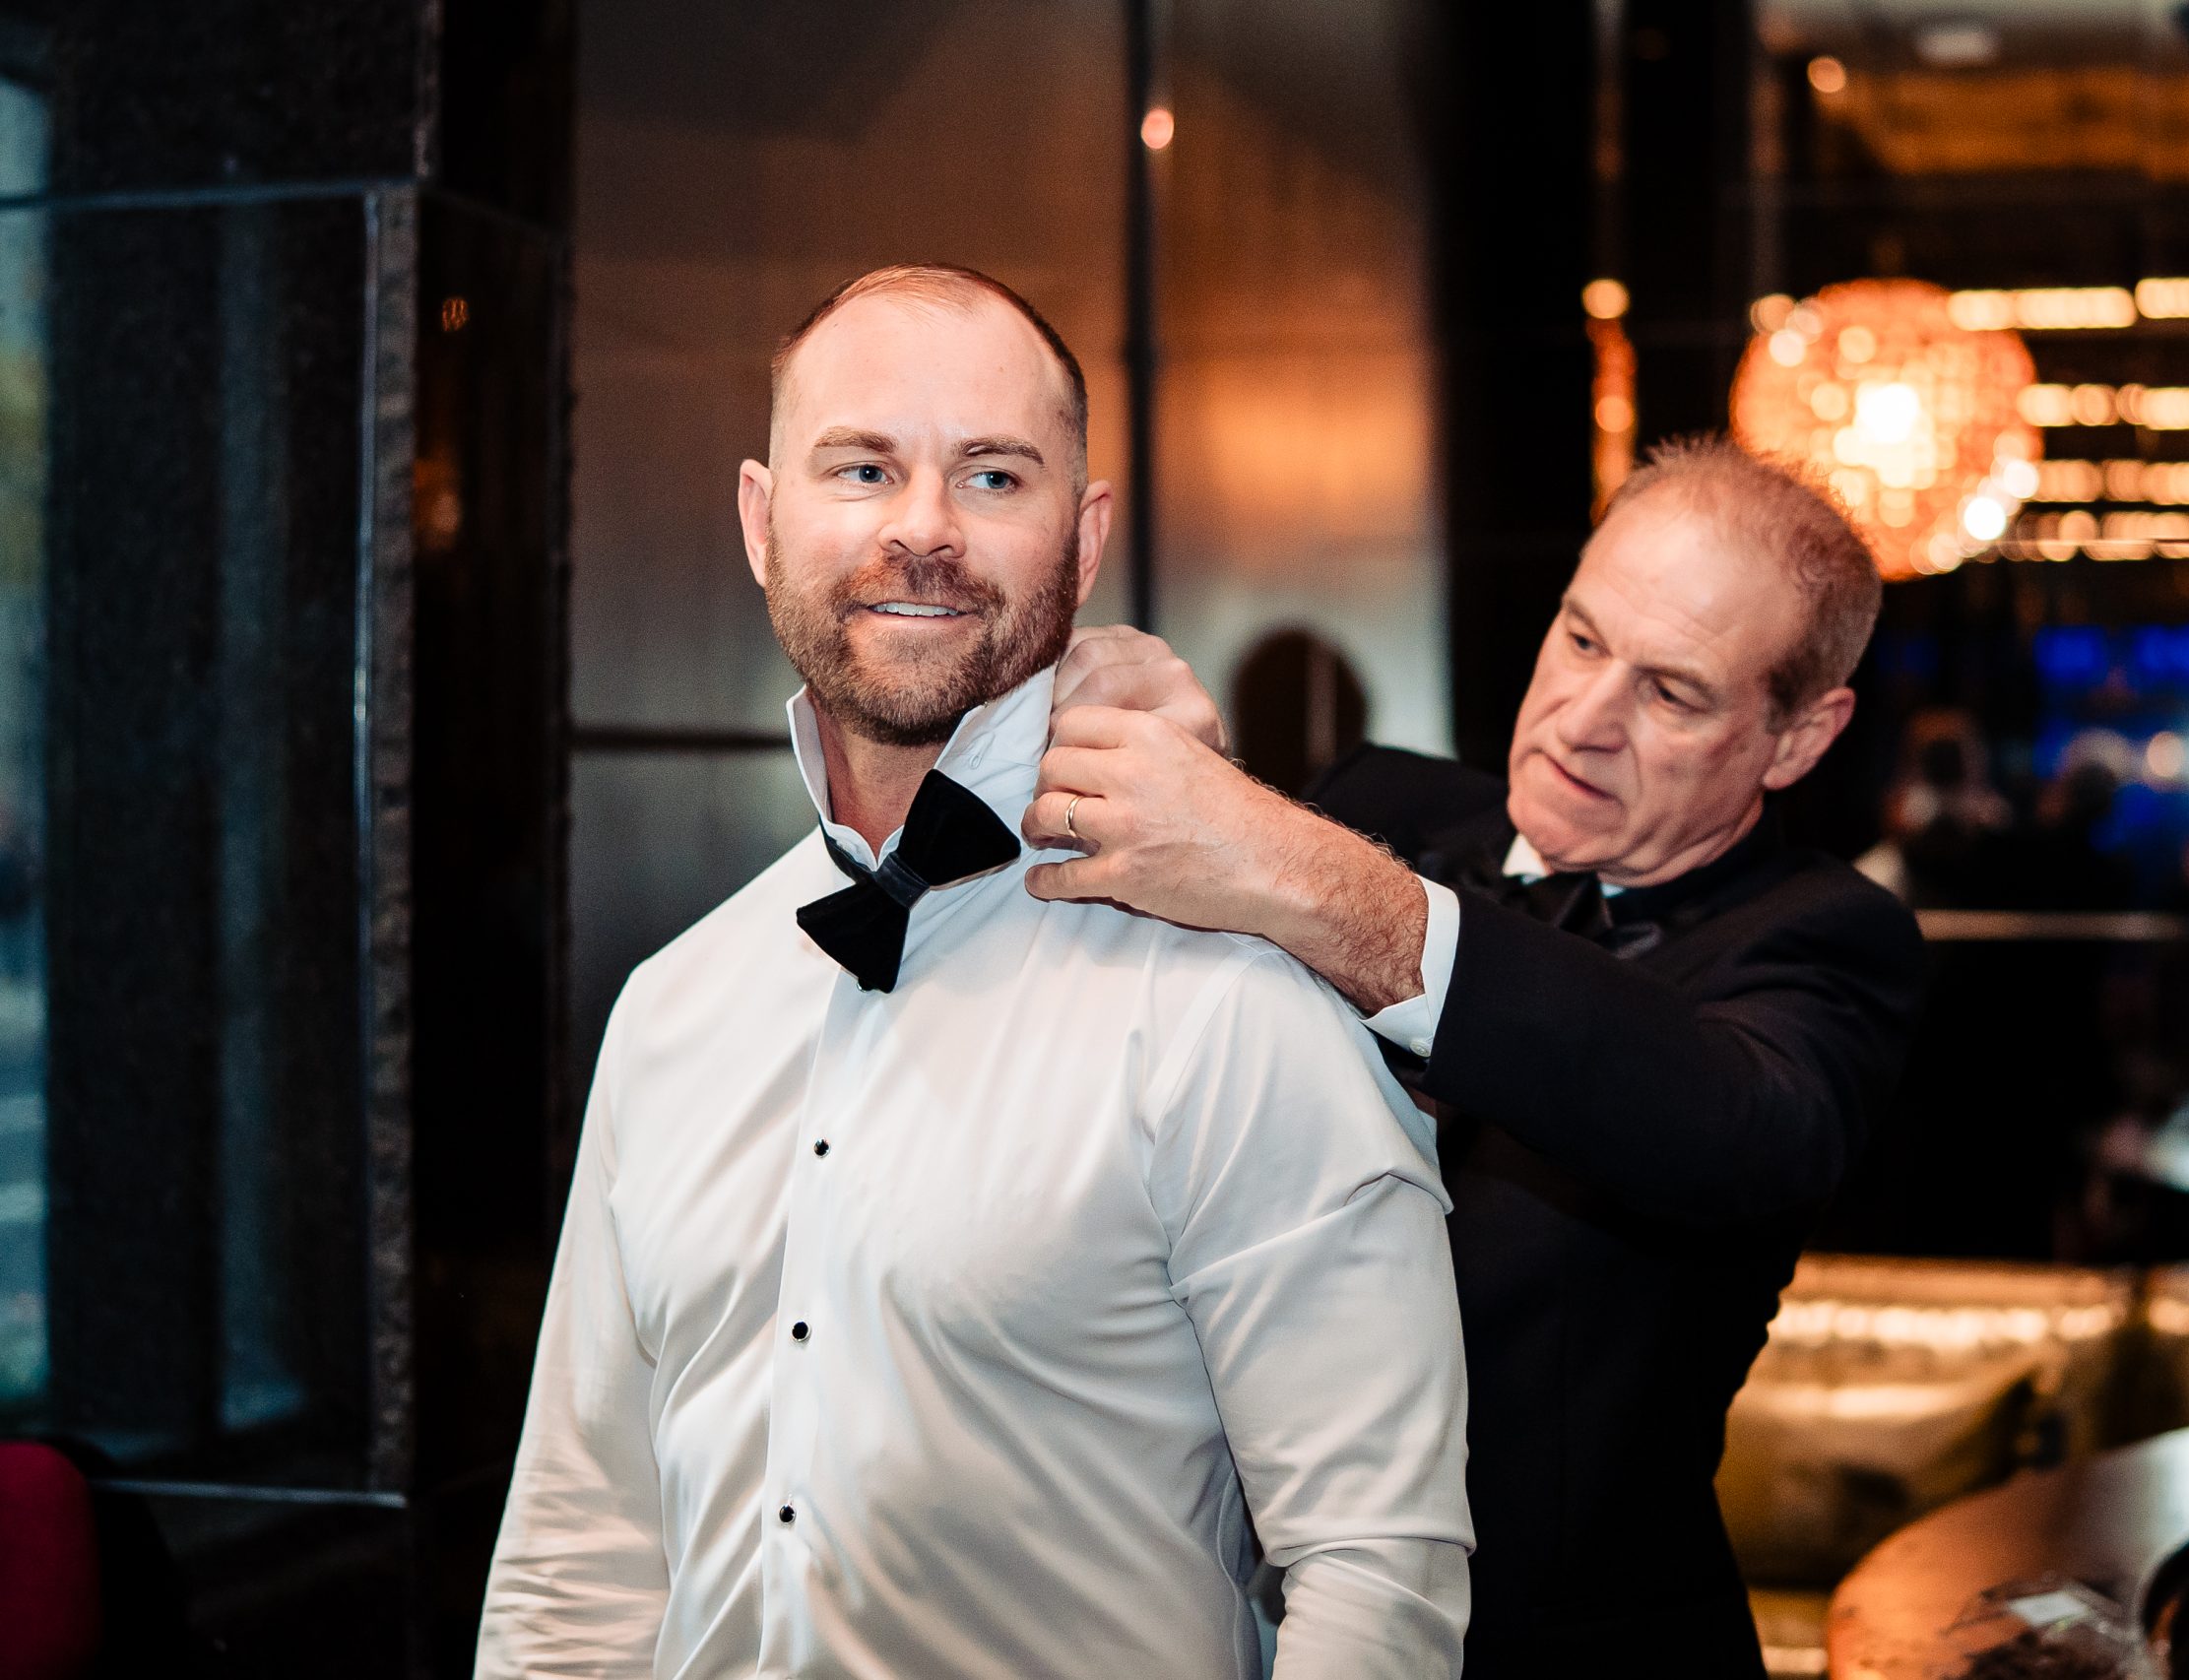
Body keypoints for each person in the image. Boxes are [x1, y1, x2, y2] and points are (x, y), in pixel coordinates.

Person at [477, 265, 1473, 1680]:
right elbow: (580, 1551)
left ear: (1085, 534)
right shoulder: (671, 1005)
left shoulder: (1229, 994)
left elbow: (1378, 1576)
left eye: (994, 475)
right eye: (863, 467)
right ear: (761, 521)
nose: (924, 528)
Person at [1028, 435, 1927, 1673]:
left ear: (1798, 738)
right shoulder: (1381, 804)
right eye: (1581, 638)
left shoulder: (1823, 939)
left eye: (1672, 694)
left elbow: (1732, 1127)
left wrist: (1326, 890)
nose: (1585, 720)